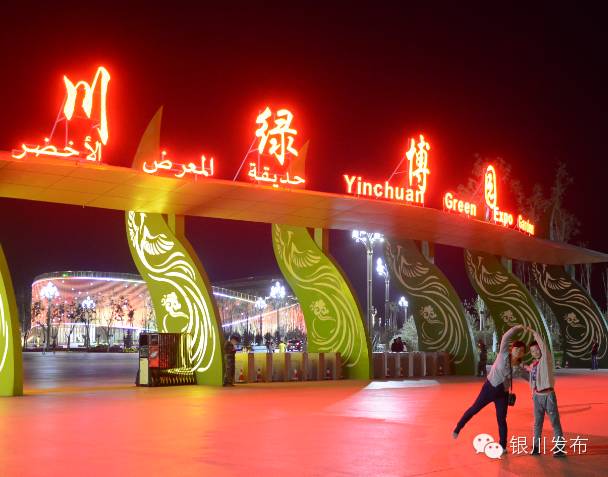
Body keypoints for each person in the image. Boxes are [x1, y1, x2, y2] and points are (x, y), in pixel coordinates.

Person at [453, 324, 526, 453]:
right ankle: (458, 427)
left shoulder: (519, 366)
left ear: (523, 353)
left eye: (521, 350)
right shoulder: (503, 354)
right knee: (474, 409)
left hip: (502, 394)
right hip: (489, 388)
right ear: (512, 349)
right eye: (516, 349)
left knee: (501, 420)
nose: (518, 351)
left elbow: (528, 377)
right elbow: (506, 337)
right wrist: (517, 328)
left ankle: (502, 446)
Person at [520, 326, 565, 457]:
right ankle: (536, 447)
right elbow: (531, 379)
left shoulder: (546, 359)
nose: (535, 352)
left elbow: (543, 346)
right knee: (537, 423)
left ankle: (560, 448)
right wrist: (520, 367)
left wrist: (533, 332)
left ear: (541, 349)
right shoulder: (534, 365)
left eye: (537, 349)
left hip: (548, 396)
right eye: (532, 351)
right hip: (537, 397)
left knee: (555, 422)